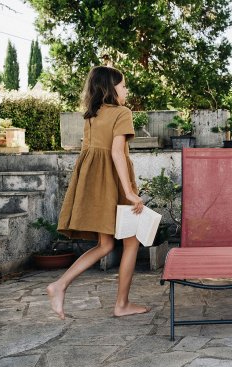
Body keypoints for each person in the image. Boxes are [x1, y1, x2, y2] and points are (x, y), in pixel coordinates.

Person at [47, 66, 149, 320]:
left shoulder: (91, 115)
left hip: (94, 184)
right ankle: (121, 304)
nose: (126, 90)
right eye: (124, 86)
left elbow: (92, 155)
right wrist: (129, 192)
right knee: (132, 240)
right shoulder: (122, 113)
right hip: (115, 183)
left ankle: (59, 285)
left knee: (104, 245)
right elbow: (116, 153)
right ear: (110, 88)